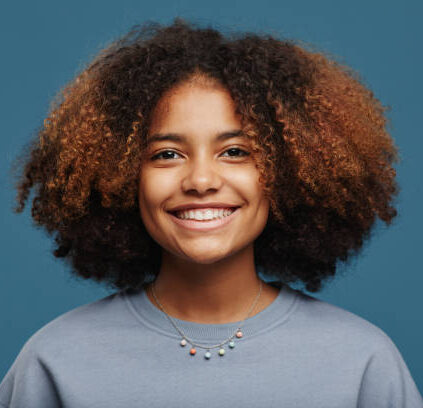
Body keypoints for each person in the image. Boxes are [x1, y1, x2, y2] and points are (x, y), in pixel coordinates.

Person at [1, 17, 422, 407]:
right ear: (120, 175)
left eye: (236, 152)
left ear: (292, 171)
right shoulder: (54, 361)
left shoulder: (363, 362)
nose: (201, 180)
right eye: (167, 154)